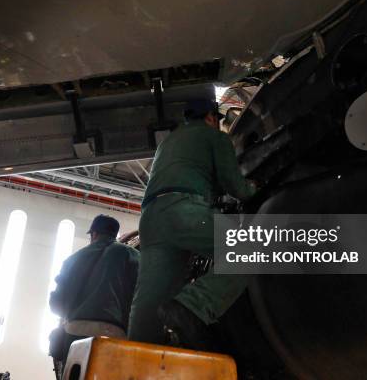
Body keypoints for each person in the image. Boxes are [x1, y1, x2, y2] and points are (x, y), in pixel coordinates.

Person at [128, 99, 257, 350]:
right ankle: (192, 307)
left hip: (152, 218)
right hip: (183, 210)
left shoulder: (168, 142)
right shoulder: (214, 137)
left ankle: (136, 356)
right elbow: (236, 186)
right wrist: (254, 188)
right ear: (211, 117)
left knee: (151, 298)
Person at [48, 215, 139, 376]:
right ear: (115, 234)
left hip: (74, 333)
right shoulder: (132, 255)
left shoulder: (72, 259)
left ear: (94, 234)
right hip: (114, 334)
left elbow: (57, 305)